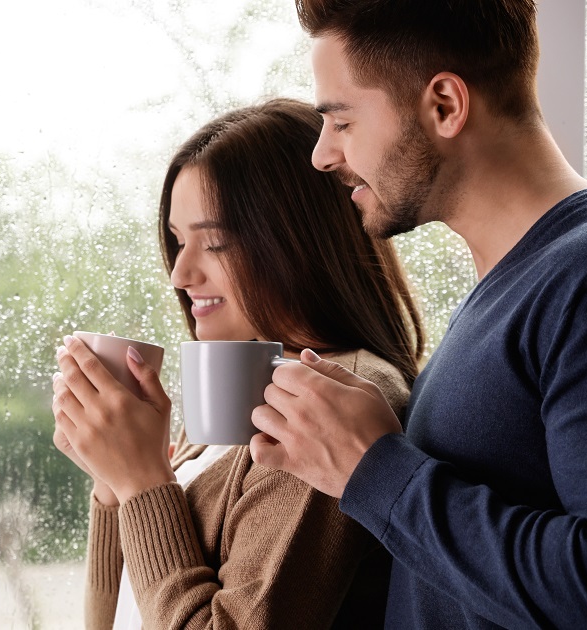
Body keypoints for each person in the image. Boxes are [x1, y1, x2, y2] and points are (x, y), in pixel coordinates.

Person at [248, 1, 587, 628]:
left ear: (445, 103)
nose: (322, 155)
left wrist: (372, 469)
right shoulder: (521, 281)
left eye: (340, 122)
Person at [50, 98, 425, 629]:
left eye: (216, 242)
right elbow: (118, 617)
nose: (180, 273)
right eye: (179, 242)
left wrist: (141, 480)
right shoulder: (248, 390)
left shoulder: (333, 404)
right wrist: (113, 476)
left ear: (299, 242)